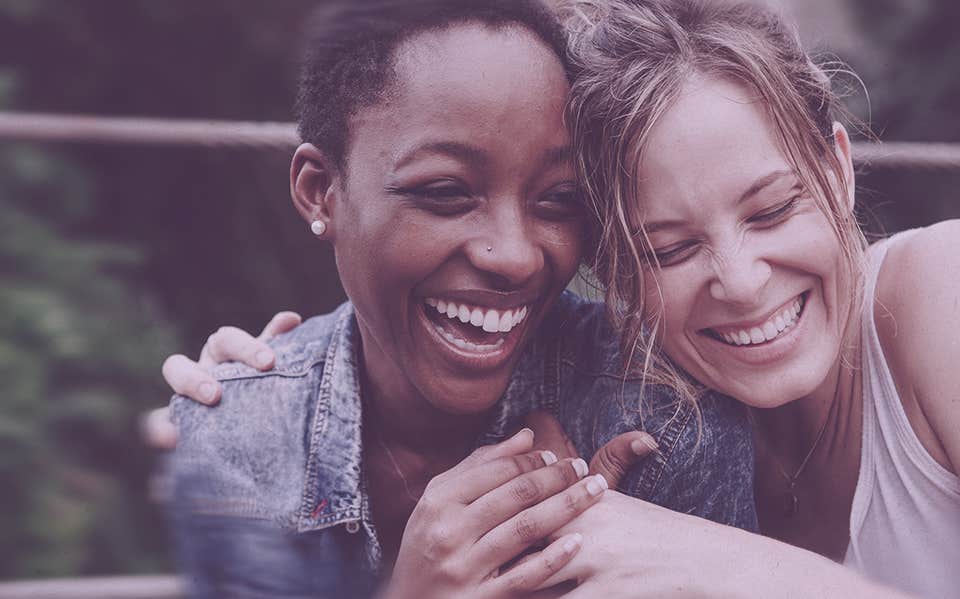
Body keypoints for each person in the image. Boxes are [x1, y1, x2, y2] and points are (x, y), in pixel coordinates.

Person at [167, 0, 960, 598]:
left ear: (837, 170)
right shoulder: (655, 420)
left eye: (773, 206)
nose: (742, 280)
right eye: (668, 247)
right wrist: (278, 392)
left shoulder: (956, 288)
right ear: (609, 270)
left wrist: (722, 564)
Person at [163, 1, 757, 597]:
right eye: (445, 193)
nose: (516, 255)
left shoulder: (665, 422)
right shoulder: (237, 440)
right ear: (321, 192)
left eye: (558, 200)